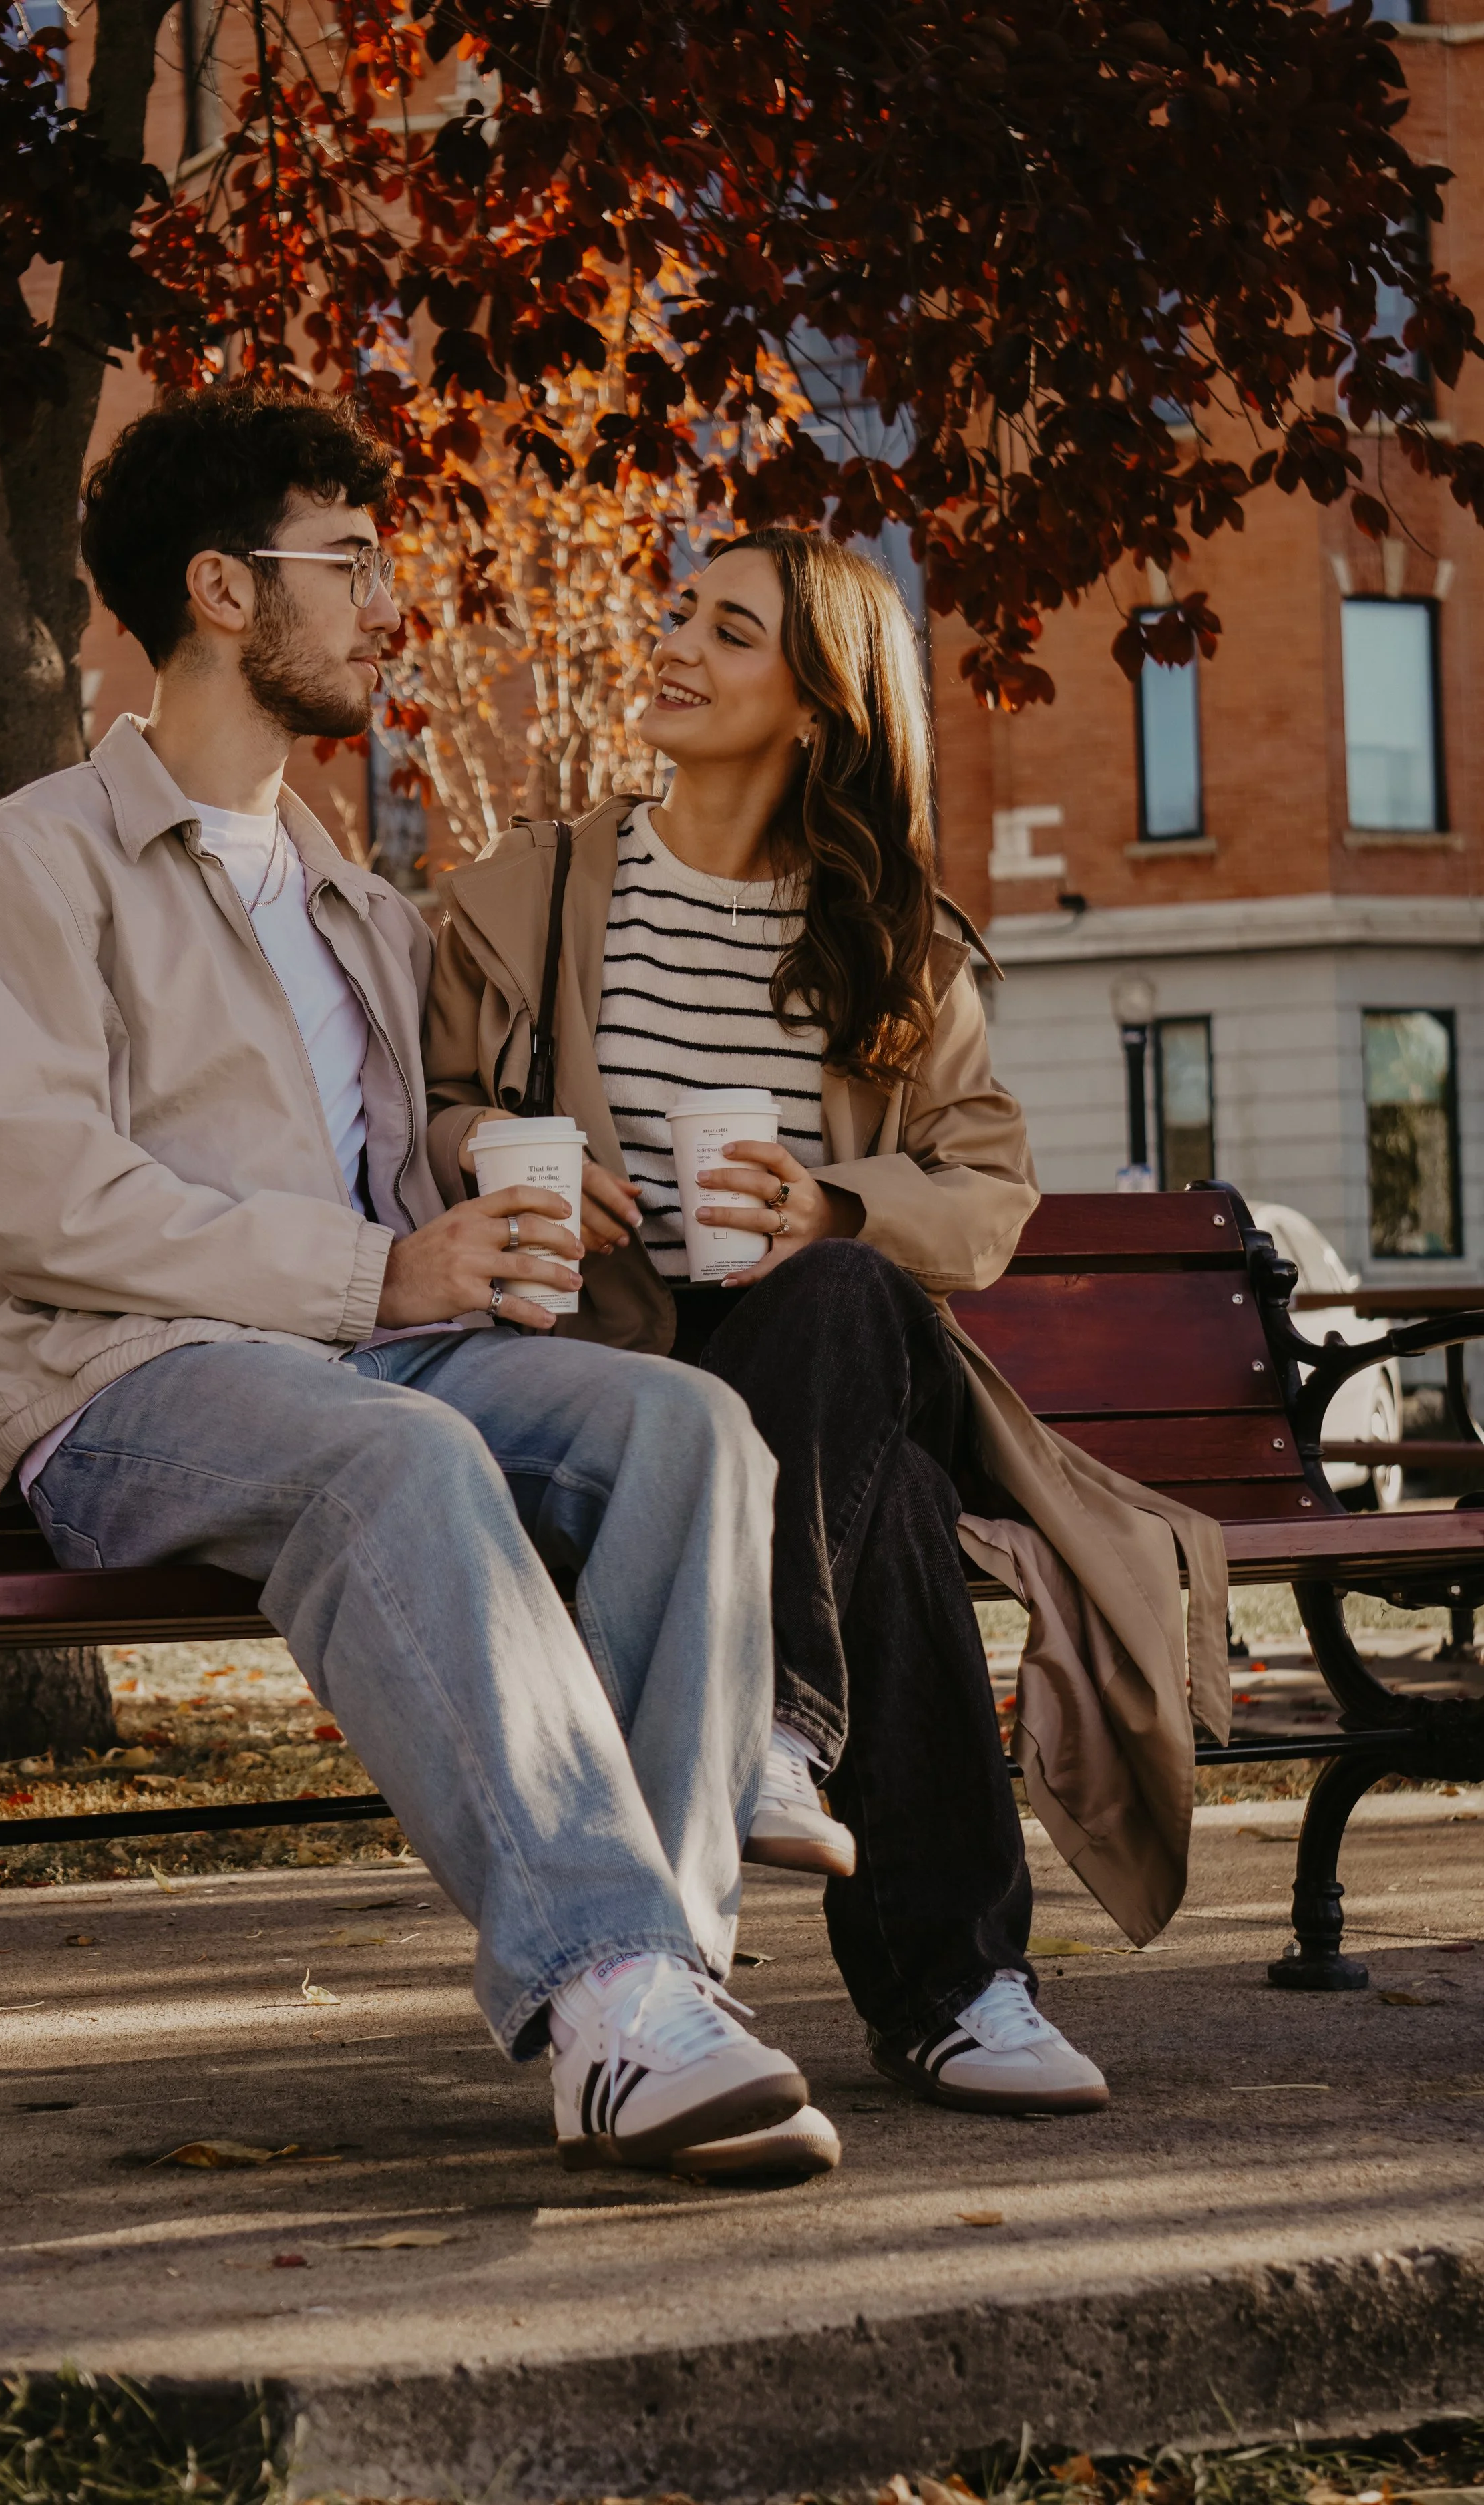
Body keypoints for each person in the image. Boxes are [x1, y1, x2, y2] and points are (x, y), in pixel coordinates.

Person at [0, 389, 836, 2180]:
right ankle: (614, 1997)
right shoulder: (26, 866)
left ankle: (657, 1990)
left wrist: (504, 1182)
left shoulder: (355, 900)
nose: (382, 597)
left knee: (687, 1430)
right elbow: (38, 1196)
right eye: (346, 559)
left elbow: (397, 1180)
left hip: (369, 1350)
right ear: (224, 592)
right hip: (116, 1380)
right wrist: (375, 1263)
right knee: (394, 1460)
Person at [426, 530, 1226, 2119]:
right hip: (609, 1382)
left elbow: (984, 1191)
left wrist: (834, 1207)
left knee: (850, 1292)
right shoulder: (532, 892)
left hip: (824, 1363)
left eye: (729, 632)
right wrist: (488, 1151)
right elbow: (433, 1100)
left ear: (813, 705)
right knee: (906, 1511)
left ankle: (774, 1735)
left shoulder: (894, 946)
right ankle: (950, 1984)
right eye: (677, 613)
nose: (675, 645)